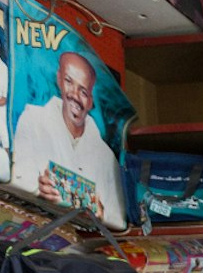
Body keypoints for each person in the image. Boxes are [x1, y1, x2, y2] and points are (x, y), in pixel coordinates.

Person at [12, 50, 125, 227]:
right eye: (68, 82)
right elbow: (16, 182)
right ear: (59, 79)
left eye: (83, 91)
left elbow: (119, 222)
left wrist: (101, 214)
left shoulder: (106, 157)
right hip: (35, 233)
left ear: (91, 100)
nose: (73, 95)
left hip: (83, 246)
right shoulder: (33, 120)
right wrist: (38, 190)